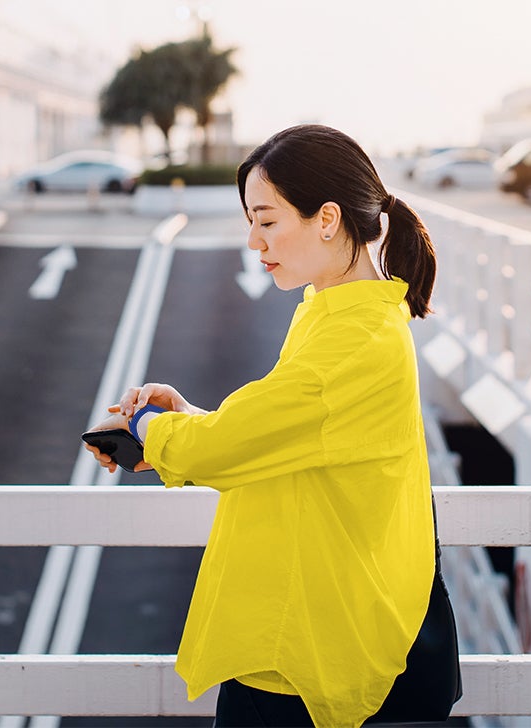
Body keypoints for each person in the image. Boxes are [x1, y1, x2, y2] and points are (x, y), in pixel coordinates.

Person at [84, 124, 453, 727]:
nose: (253, 241)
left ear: (327, 218)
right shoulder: (340, 315)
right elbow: (290, 438)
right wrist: (186, 424)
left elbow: (226, 448)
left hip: (306, 653)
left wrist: (152, 426)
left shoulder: (354, 341)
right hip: (301, 634)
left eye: (267, 220)